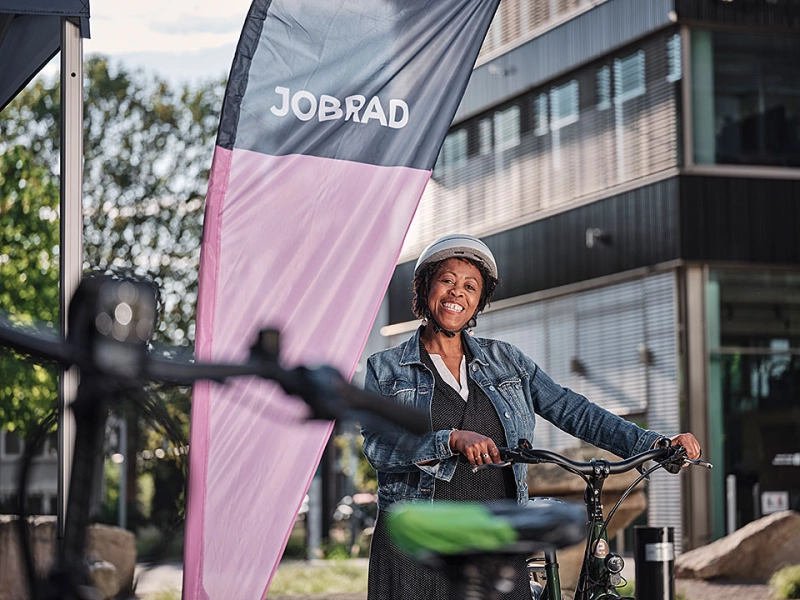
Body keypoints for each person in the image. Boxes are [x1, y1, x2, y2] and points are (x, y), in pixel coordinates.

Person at [361, 233, 702, 600]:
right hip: (419, 549)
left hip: (498, 543)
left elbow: (573, 410)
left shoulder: (508, 362)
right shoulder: (387, 368)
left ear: (479, 302)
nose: (457, 292)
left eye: (470, 286)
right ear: (426, 287)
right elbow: (379, 450)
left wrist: (654, 443)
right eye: (447, 280)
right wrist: (451, 439)